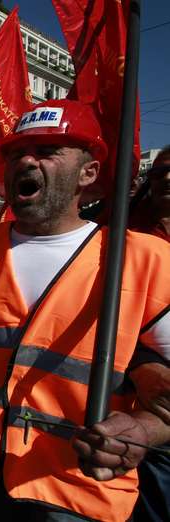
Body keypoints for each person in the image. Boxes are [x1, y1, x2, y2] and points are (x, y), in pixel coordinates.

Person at [0, 99, 170, 521]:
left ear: (87, 173)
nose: (26, 161)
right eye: (16, 153)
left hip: (80, 487)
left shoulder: (145, 260)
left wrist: (146, 427)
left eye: (48, 151)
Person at [128, 147, 170, 522]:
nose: (169, 179)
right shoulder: (126, 234)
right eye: (160, 172)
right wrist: (142, 366)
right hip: (145, 402)